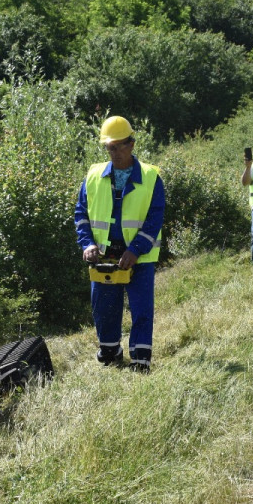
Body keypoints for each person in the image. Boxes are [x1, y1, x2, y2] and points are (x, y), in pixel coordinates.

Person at [75, 116, 166, 372]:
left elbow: (154, 219)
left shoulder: (151, 177)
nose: (113, 152)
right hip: (103, 256)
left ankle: (140, 360)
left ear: (131, 144)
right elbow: (80, 214)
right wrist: (87, 244)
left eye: (118, 146)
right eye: (109, 147)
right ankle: (110, 352)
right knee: (104, 309)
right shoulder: (93, 176)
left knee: (141, 309)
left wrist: (135, 250)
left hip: (140, 258)